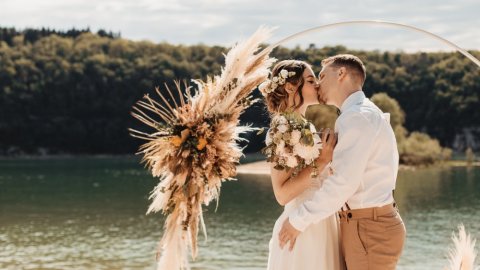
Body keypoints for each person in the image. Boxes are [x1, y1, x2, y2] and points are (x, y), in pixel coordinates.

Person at [278, 54, 406, 270]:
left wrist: (297, 221)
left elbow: (343, 183)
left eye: (321, 76)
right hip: (366, 225)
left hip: (369, 228)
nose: (318, 84)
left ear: (341, 74)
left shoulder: (357, 117)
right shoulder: (362, 113)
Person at [262, 59, 344, 270]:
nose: (317, 84)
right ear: (290, 87)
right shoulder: (281, 127)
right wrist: (323, 160)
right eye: (310, 80)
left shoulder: (304, 124)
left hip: (321, 218)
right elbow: (282, 195)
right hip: (301, 226)